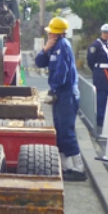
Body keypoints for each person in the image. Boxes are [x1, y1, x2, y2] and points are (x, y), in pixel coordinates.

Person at [35, 17, 86, 181]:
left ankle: (79, 168)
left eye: (50, 31)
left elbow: (62, 71)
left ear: (55, 32)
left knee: (66, 131)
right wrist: (45, 49)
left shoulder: (63, 46)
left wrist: (54, 89)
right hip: (60, 93)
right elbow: (39, 62)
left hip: (66, 93)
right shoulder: (54, 46)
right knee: (59, 130)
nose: (48, 33)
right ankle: (66, 166)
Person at [87, 23, 108, 130]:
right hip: (101, 73)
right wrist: (97, 71)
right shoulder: (96, 45)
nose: (106, 35)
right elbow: (90, 60)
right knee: (101, 96)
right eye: (104, 32)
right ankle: (101, 119)